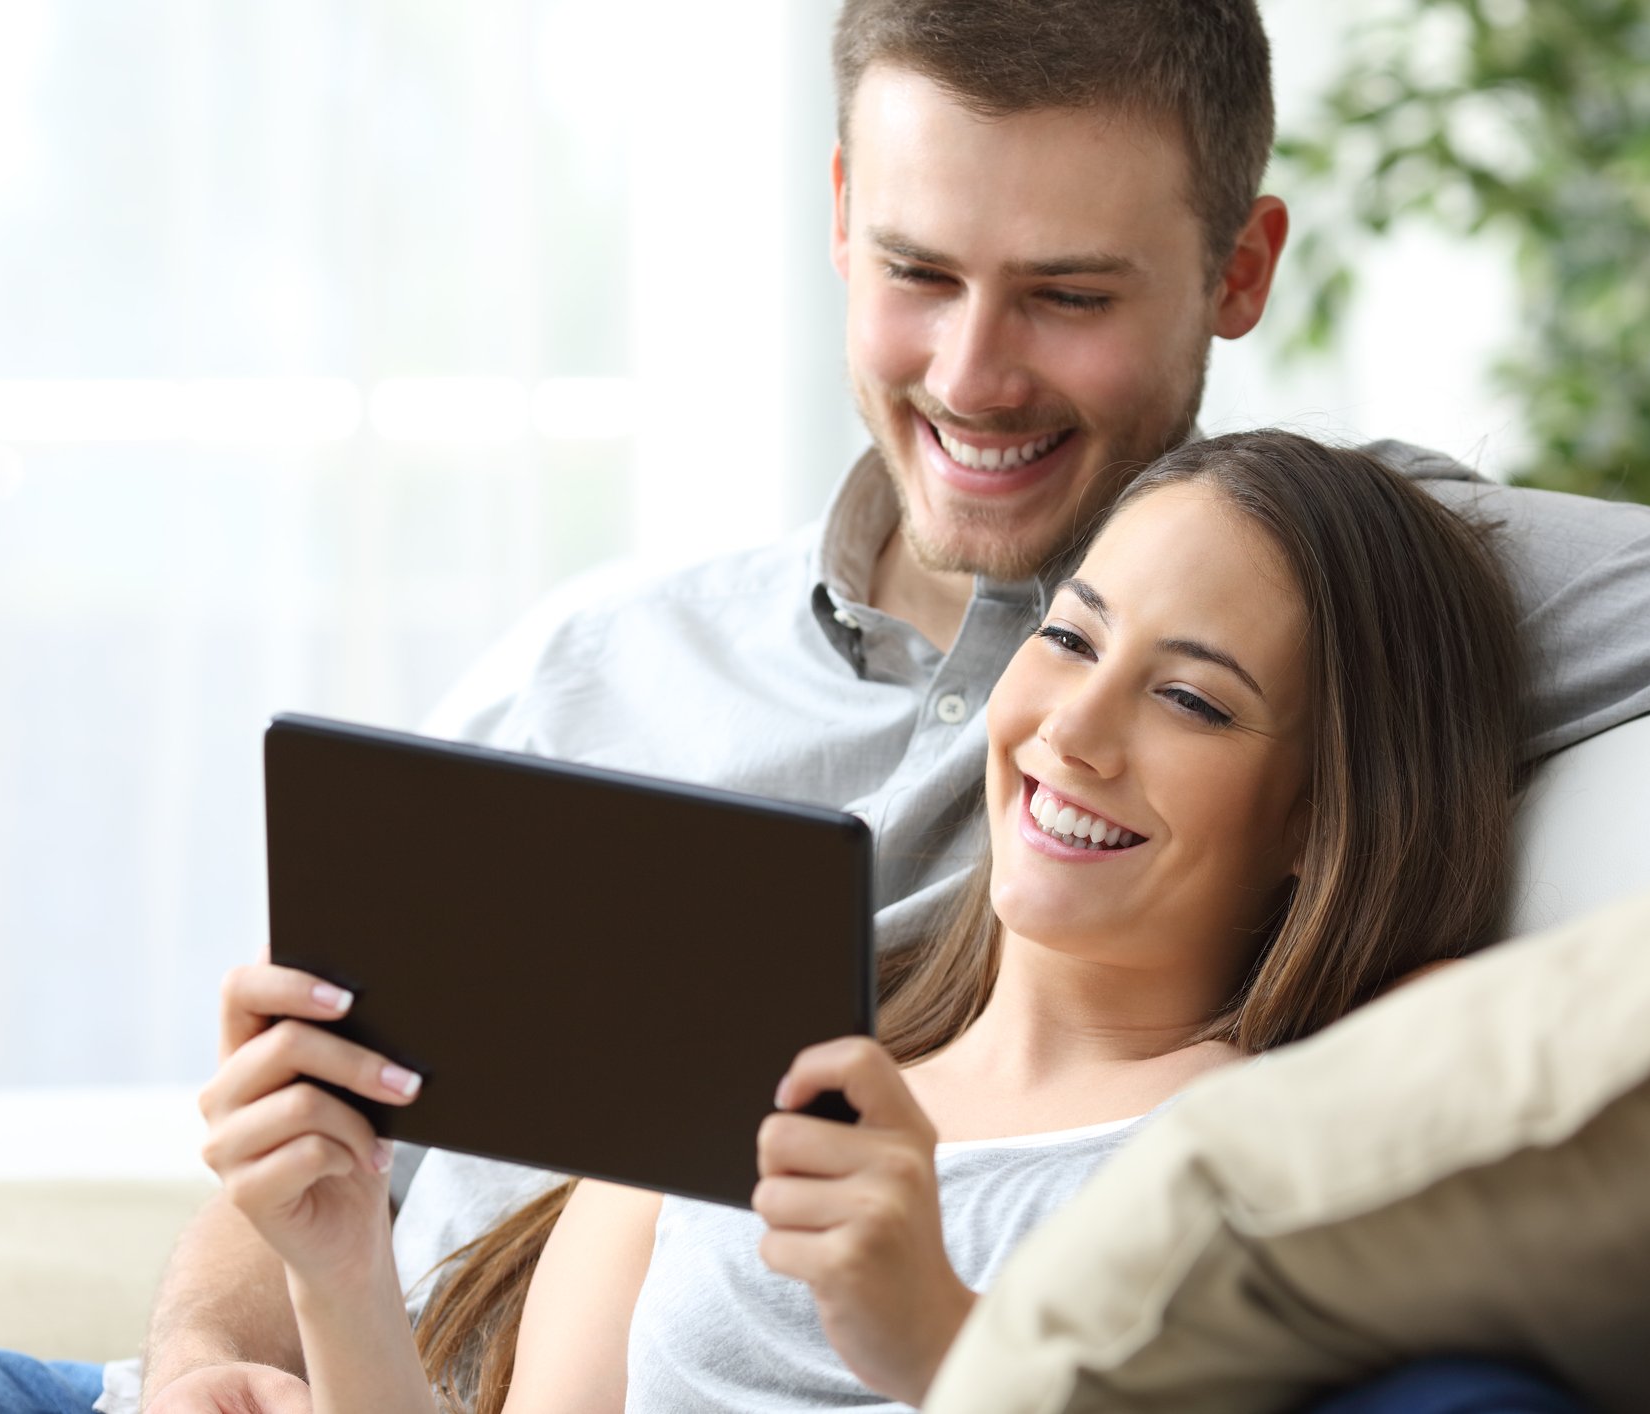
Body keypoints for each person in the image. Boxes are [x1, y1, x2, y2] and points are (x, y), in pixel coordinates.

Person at [0, 0, 1650, 1410]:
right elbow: (317, 1122)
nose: (972, 373)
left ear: (1237, 272)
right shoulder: (607, 659)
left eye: (1066, 295)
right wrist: (238, 1336)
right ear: (840, 220)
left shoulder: (1362, 589)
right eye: (918, 272)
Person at [198, 430, 1544, 1413]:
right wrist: (338, 1263)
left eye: (1190, 699)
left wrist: (941, 1342)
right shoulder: (743, 1070)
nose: (1072, 730)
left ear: (1324, 815)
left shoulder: (1287, 1129)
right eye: (1070, 640)